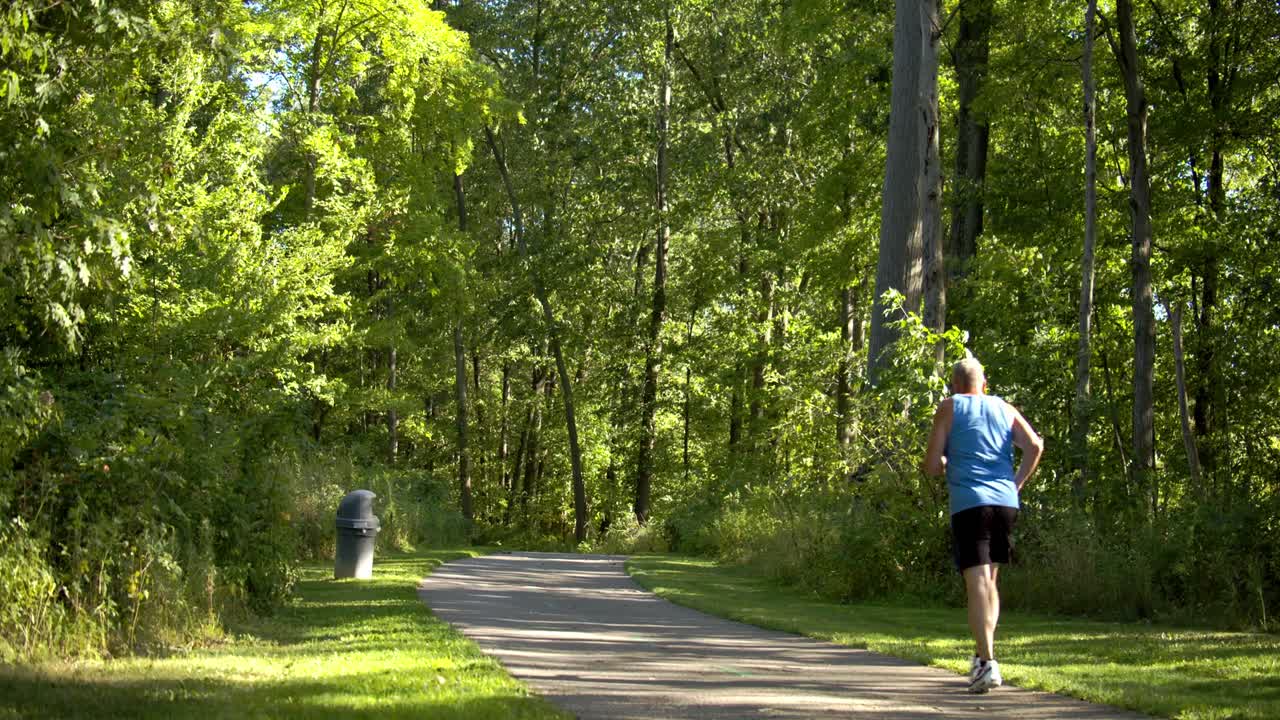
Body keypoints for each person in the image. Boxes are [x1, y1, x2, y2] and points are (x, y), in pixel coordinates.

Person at [921, 357, 1043, 694]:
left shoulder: (950, 407)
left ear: (954, 385)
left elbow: (931, 465)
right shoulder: (1004, 408)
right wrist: (1016, 484)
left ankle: (988, 662)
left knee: (976, 581)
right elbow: (1034, 446)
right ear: (985, 384)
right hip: (1005, 503)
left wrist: (944, 461)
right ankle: (981, 657)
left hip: (970, 503)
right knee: (990, 581)